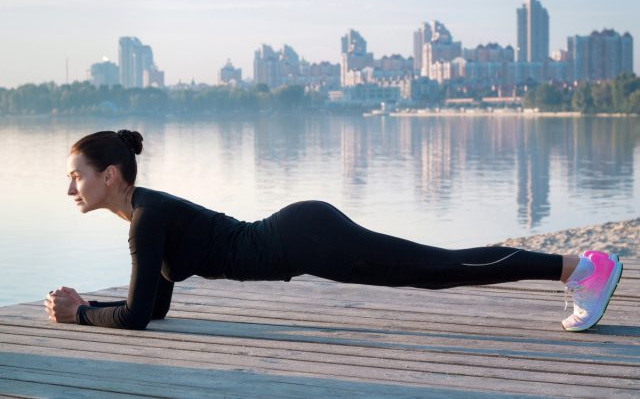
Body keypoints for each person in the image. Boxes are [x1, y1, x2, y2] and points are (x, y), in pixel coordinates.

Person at [45, 130, 624, 332]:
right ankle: (579, 270)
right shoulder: (147, 216)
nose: (71, 189)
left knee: (442, 265)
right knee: (433, 276)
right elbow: (154, 307)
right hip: (304, 237)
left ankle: (584, 268)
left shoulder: (147, 220)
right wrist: (92, 306)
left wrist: (78, 314)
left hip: (305, 237)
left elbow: (138, 319)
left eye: (77, 177)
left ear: (110, 175)